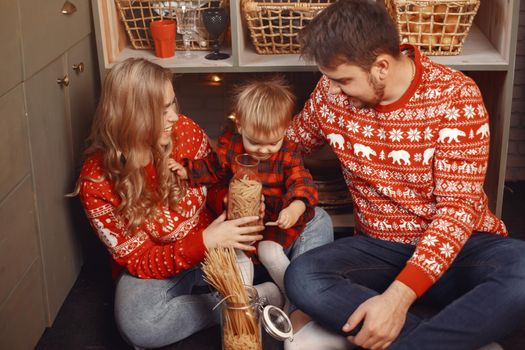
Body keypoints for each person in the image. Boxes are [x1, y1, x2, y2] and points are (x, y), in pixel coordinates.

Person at [283, 1, 525, 350]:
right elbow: (290, 146)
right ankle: (455, 337)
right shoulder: (329, 94)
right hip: (379, 250)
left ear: (381, 66)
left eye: (343, 80)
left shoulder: (456, 96)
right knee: (303, 278)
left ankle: (407, 336)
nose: (332, 89)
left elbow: (457, 212)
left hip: (459, 249)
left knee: (521, 274)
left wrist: (397, 299)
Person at [74, 58, 272, 349]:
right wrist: (204, 241)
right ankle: (248, 301)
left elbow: (213, 184)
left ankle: (235, 296)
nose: (174, 117)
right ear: (132, 115)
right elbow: (140, 260)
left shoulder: (185, 132)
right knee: (139, 324)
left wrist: (230, 201)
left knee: (313, 219)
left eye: (172, 104)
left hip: (216, 245)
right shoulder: (95, 181)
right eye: (163, 110)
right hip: (161, 265)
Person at [170, 77, 343, 348]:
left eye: (272, 143)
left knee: (269, 252)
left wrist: (295, 207)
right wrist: (187, 170)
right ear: (240, 126)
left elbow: (301, 182)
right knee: (239, 261)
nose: (263, 150)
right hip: (243, 221)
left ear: (285, 130)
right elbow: (212, 168)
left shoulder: (288, 151)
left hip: (275, 220)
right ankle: (245, 305)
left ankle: (293, 302)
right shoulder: (231, 145)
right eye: (255, 142)